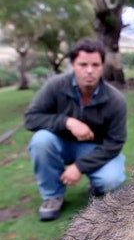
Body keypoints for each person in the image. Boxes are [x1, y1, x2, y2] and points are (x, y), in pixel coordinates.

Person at [24, 37, 127, 221]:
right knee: (40, 140)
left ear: (102, 66)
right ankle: (52, 196)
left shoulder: (115, 100)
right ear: (73, 64)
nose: (89, 70)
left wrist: (80, 167)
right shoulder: (55, 86)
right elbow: (31, 119)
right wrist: (67, 122)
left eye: (95, 65)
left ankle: (97, 185)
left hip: (94, 148)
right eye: (83, 64)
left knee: (112, 180)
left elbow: (115, 142)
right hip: (59, 144)